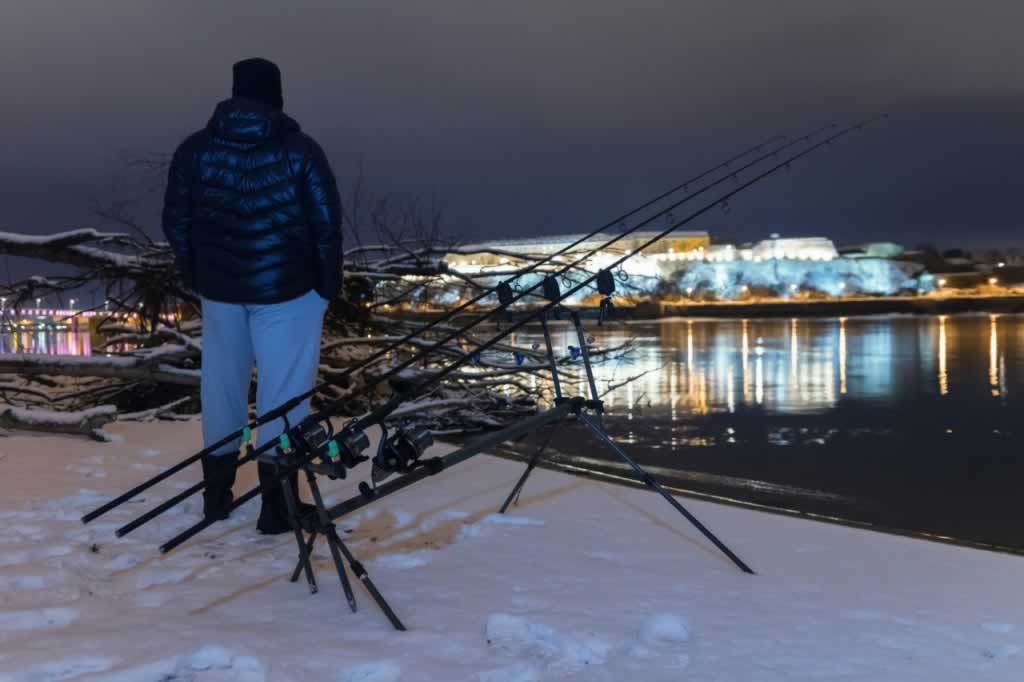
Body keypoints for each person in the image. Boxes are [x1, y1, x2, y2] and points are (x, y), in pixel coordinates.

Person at [161, 58, 342, 534]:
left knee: (221, 389)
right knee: (285, 396)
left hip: (221, 292)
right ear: (276, 98)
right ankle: (277, 507)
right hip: (289, 291)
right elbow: (326, 226)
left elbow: (175, 222)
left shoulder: (195, 151)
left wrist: (197, 274)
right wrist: (327, 288)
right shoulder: (301, 151)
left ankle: (216, 496)